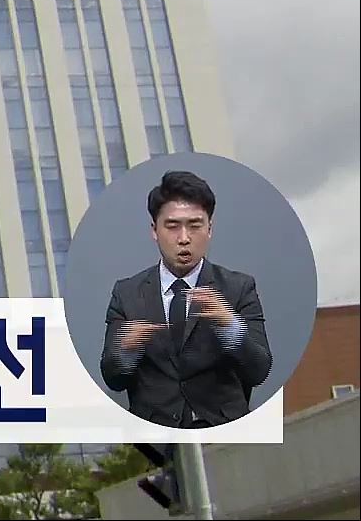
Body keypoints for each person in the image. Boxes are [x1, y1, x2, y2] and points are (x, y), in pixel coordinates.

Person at [99, 169, 272, 427]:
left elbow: (259, 371)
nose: (184, 239)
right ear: (154, 230)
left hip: (223, 432)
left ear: (209, 229)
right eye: (172, 226)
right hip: (157, 437)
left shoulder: (238, 288)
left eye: (195, 226)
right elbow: (113, 379)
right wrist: (126, 351)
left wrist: (230, 326)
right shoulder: (127, 294)